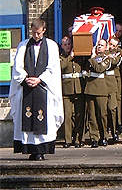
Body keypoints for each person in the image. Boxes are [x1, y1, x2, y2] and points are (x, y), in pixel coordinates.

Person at [9, 18, 64, 161]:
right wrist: (26, 78)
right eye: (34, 33)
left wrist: (39, 79)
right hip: (26, 87)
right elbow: (17, 67)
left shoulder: (51, 46)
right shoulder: (23, 45)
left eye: (38, 33)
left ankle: (41, 150)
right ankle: (30, 150)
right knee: (26, 116)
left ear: (44, 31)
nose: (36, 36)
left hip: (43, 89)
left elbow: (53, 68)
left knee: (43, 117)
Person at [84, 39, 110, 148]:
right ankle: (94, 138)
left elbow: (99, 69)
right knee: (92, 116)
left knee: (102, 115)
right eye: (98, 45)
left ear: (105, 47)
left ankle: (104, 136)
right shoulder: (92, 58)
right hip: (90, 88)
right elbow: (86, 72)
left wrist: (92, 59)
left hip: (101, 90)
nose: (99, 47)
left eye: (101, 45)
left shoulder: (107, 58)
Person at [60, 36, 85, 148]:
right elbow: (61, 67)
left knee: (79, 115)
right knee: (68, 115)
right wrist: (70, 57)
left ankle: (79, 139)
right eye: (65, 44)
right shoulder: (60, 57)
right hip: (66, 90)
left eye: (69, 44)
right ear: (62, 46)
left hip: (79, 89)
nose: (67, 46)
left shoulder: (79, 57)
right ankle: (68, 140)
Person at [106, 37, 122, 143]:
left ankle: (118, 123)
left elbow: (118, 58)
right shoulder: (106, 51)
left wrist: (113, 52)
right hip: (106, 79)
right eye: (110, 44)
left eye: (114, 45)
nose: (112, 47)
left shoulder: (118, 52)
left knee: (117, 101)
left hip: (115, 78)